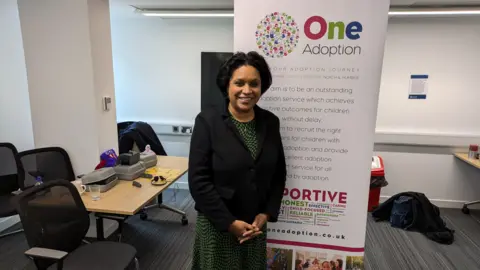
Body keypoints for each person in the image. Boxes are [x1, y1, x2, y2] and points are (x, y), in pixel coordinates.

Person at [189, 51, 287, 269]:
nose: (247, 90)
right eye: (239, 83)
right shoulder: (208, 121)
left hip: (254, 224)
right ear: (227, 86)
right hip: (218, 223)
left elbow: (279, 173)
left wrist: (266, 213)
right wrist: (229, 223)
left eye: (254, 83)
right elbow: (198, 181)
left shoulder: (270, 122)